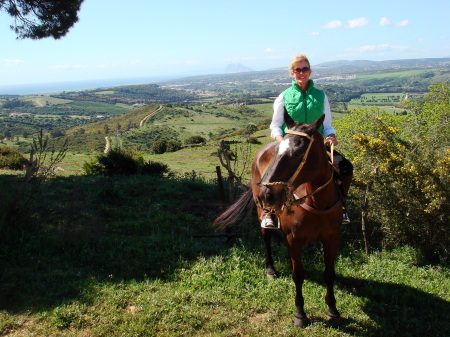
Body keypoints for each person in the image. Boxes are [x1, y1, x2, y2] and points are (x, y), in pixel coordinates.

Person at [261, 53, 353, 228]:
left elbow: (327, 125)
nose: (301, 72)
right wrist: (282, 142)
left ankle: (341, 207)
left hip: (315, 146)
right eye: (298, 69)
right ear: (292, 73)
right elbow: (275, 126)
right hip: (289, 146)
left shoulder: (321, 96)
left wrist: (331, 136)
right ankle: (269, 212)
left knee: (346, 168)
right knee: (272, 173)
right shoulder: (284, 97)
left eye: (305, 69)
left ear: (310, 71)